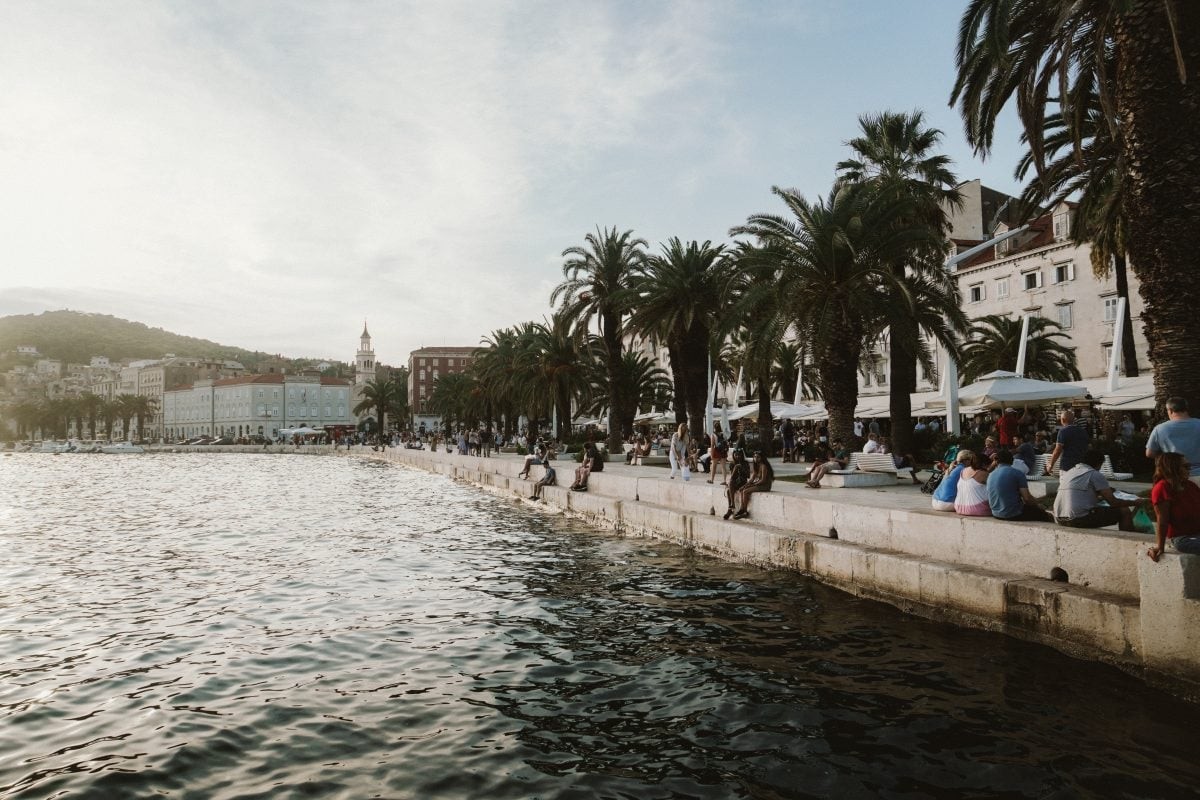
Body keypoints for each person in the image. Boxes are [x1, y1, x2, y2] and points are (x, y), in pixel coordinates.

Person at [1053, 449, 1146, 531]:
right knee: (1124, 511)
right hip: (1077, 519)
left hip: (1059, 518)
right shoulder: (1094, 474)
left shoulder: (1070, 472)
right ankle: (1128, 539)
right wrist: (1135, 502)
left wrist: (1099, 498)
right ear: (1098, 463)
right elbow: (1114, 502)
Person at [1147, 452, 1200, 561]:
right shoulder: (1162, 488)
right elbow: (1162, 521)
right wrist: (1160, 546)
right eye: (1186, 466)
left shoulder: (1190, 486)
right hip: (1184, 538)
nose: (1190, 469)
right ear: (1172, 468)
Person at [1145, 397, 1200, 485]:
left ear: (1170, 410)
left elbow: (1149, 453)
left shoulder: (1160, 429)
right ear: (1186, 409)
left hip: (1174, 477)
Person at [987, 450, 1052, 521]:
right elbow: (1027, 498)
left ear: (996, 461)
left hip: (995, 514)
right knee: (1045, 515)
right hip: (1013, 514)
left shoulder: (990, 475)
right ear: (1012, 461)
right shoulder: (1018, 473)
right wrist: (1038, 505)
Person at [732, 451, 775, 520]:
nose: (756, 458)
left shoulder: (763, 466)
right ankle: (742, 509)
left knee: (745, 491)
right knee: (743, 489)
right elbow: (751, 479)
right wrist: (745, 485)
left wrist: (752, 485)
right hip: (759, 484)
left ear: (761, 458)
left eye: (758, 457)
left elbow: (763, 480)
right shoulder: (756, 466)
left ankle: (744, 510)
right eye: (754, 457)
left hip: (765, 486)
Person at [1045, 408, 1089, 475]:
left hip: (1067, 466)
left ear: (1063, 420)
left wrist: (1050, 465)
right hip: (1082, 465)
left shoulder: (1063, 431)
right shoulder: (1083, 431)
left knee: (1065, 484)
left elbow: (1058, 450)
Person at [953, 451, 992, 517]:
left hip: (959, 507)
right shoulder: (983, 474)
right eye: (987, 466)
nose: (988, 468)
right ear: (983, 464)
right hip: (978, 509)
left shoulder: (963, 470)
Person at [723, 450, 750, 519]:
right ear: (733, 456)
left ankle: (731, 508)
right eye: (736, 455)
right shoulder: (732, 464)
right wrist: (735, 468)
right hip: (735, 482)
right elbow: (732, 477)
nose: (737, 456)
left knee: (729, 490)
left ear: (742, 455)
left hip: (743, 482)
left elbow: (748, 476)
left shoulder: (745, 463)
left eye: (739, 455)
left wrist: (741, 468)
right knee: (729, 490)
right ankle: (731, 507)